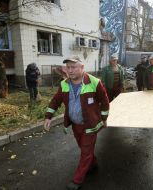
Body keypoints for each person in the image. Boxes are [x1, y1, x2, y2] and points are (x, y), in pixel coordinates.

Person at [44, 55, 109, 190]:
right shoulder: (64, 84)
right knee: (84, 148)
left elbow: (104, 101)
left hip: (90, 125)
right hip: (75, 125)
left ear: (82, 67)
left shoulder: (94, 82)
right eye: (68, 67)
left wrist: (104, 119)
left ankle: (77, 180)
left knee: (85, 151)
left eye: (73, 67)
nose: (70, 70)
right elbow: (55, 101)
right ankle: (93, 163)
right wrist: (48, 116)